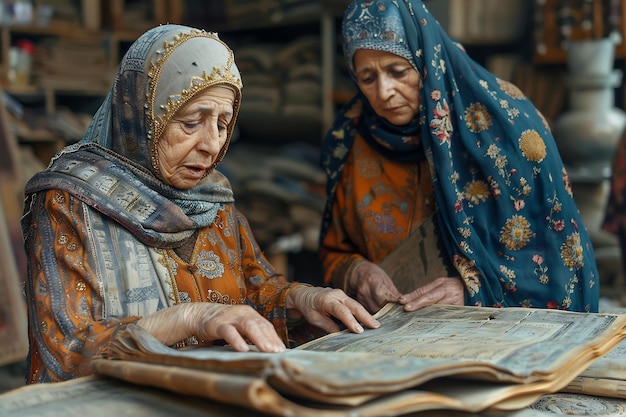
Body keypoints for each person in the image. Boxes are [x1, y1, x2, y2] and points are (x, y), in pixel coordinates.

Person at [21, 24, 379, 384]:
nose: (212, 144)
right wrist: (189, 318)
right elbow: (67, 348)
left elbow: (257, 290)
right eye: (191, 122)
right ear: (144, 117)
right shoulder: (70, 201)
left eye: (223, 124)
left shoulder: (213, 200)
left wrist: (303, 298)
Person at [320, 0, 599, 314]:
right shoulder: (351, 139)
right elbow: (335, 251)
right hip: (392, 334)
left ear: (426, 59)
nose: (384, 92)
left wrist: (474, 291)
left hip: (492, 332)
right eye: (367, 78)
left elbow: (560, 260)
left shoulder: (505, 127)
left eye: (398, 71)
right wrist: (356, 272)